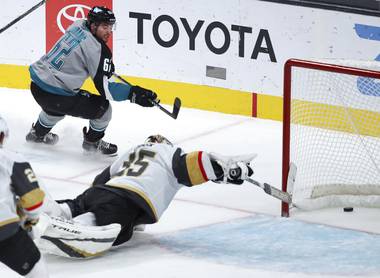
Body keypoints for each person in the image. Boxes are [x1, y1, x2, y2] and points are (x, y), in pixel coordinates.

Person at [37, 134, 255, 257]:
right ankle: (74, 225)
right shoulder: (169, 154)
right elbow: (192, 166)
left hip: (102, 191)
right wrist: (227, 170)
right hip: (128, 199)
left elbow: (101, 180)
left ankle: (57, 210)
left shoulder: (132, 151)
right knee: (109, 221)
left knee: (82, 203)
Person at [26, 6, 158, 156]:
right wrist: (133, 93)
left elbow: (82, 50)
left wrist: (103, 66)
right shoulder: (98, 50)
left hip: (37, 86)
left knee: (56, 107)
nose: (109, 31)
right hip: (56, 95)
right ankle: (92, 143)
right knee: (103, 110)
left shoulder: (78, 24)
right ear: (94, 25)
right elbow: (106, 89)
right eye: (104, 26)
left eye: (110, 26)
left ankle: (37, 134)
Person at [0, 115, 49, 277]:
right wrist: (30, 220)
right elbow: (33, 201)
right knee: (37, 271)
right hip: (4, 228)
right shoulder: (10, 158)